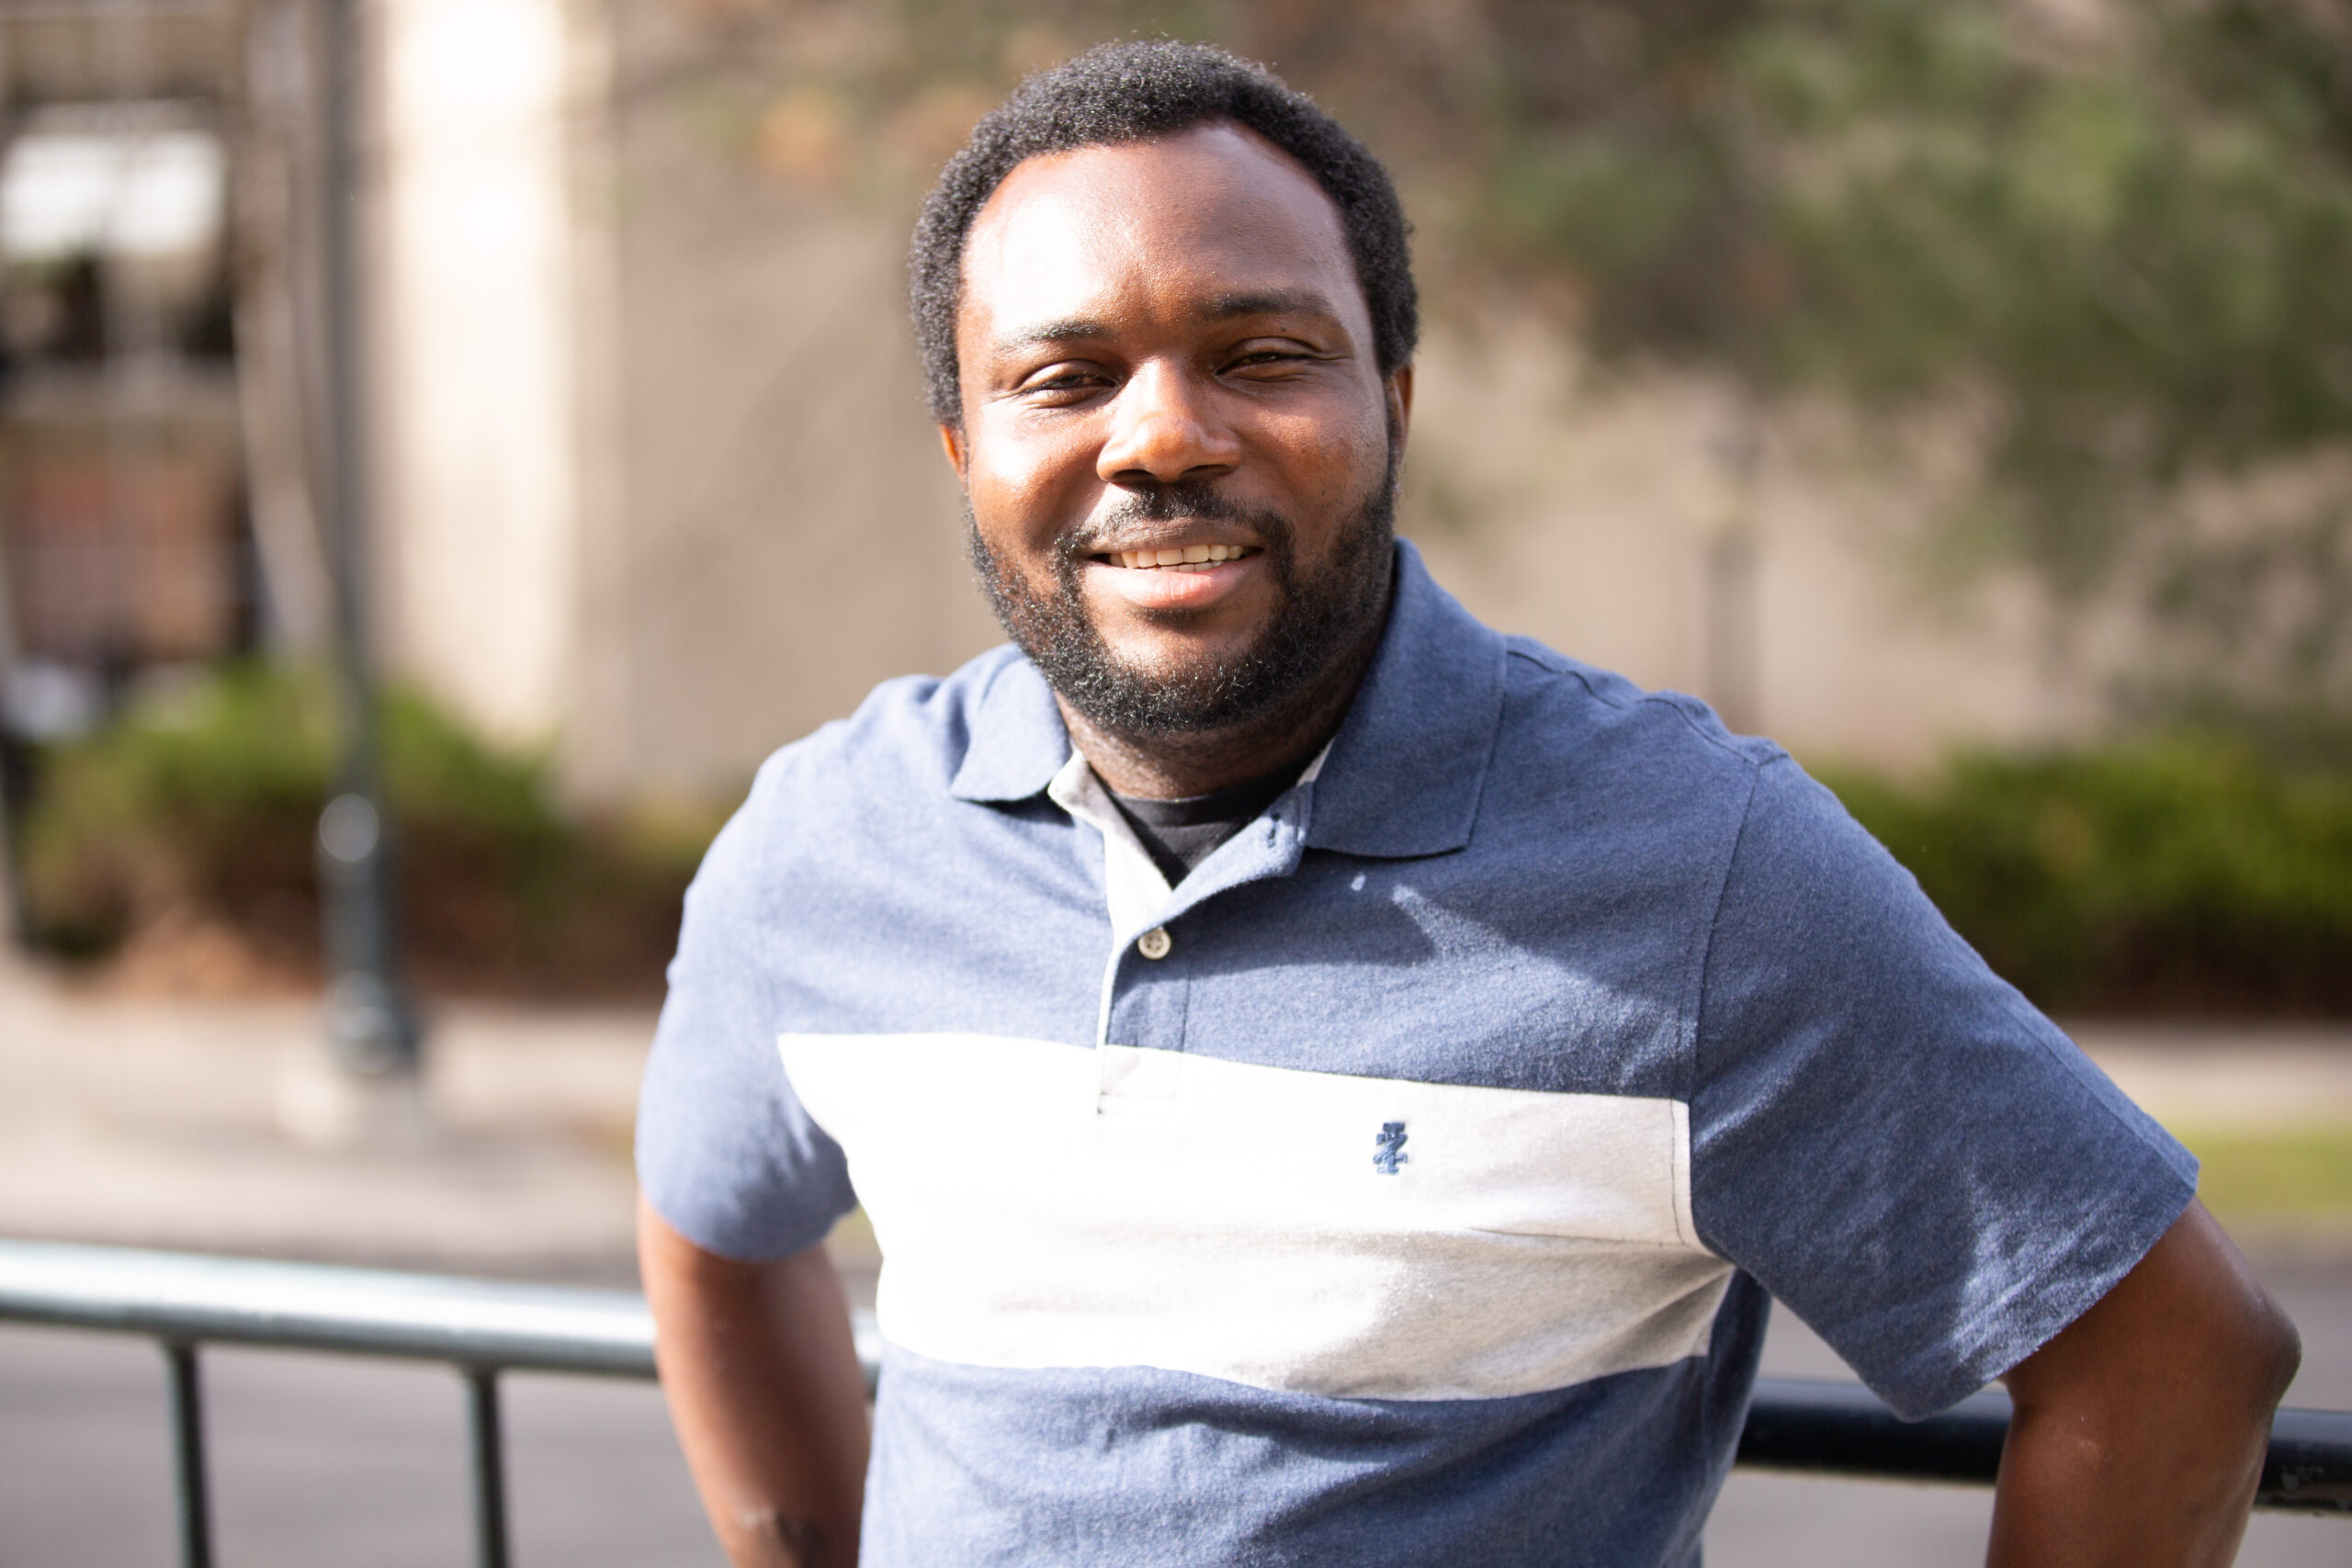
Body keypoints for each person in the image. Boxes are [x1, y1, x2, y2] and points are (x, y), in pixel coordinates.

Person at [635, 40, 2300, 1568]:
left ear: (1395, 403)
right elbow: (712, 1235)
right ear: (961, 447)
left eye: (1261, 354)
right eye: (1064, 377)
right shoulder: (825, 845)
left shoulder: (1702, 871)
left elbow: (2172, 1364)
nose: (1163, 437)